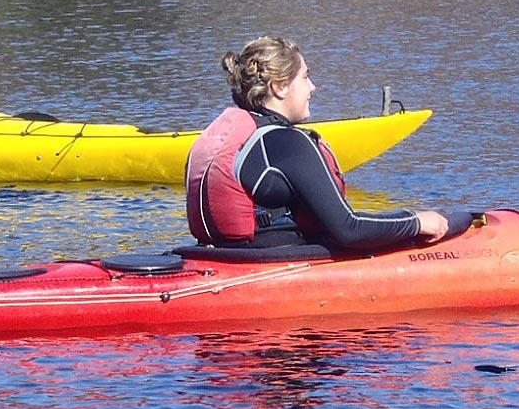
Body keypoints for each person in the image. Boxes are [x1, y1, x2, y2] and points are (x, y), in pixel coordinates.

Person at [185, 36, 473, 250]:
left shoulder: (234, 132)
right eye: (305, 77)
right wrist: (417, 221)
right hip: (265, 267)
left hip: (221, 258)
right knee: (456, 221)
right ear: (279, 87)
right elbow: (349, 229)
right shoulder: (286, 143)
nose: (313, 87)